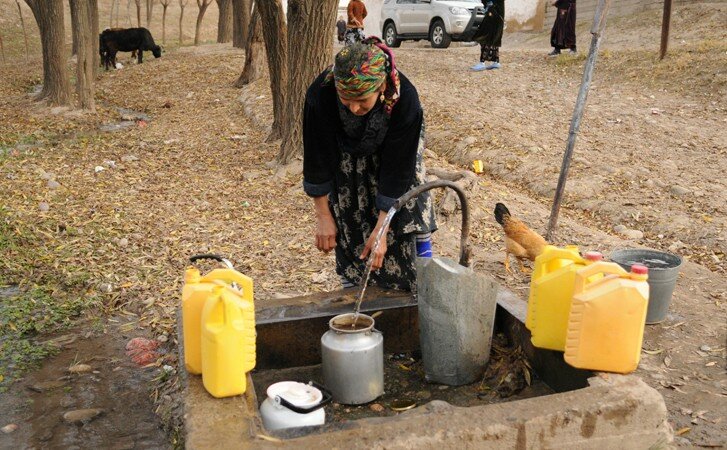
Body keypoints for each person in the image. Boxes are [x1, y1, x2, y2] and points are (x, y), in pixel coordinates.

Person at [302, 38, 437, 292]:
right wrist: (322, 215)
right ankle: (352, 293)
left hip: (396, 158)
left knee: (410, 203)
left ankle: (420, 291)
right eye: (346, 98)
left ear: (382, 87)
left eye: (362, 100)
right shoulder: (320, 94)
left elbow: (398, 171)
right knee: (346, 216)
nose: (353, 108)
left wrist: (382, 227)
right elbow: (317, 158)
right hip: (346, 157)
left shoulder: (405, 99)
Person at [470, 0, 505, 71]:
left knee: (486, 37)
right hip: (497, 16)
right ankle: (496, 61)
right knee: (494, 38)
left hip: (493, 15)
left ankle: (482, 63)